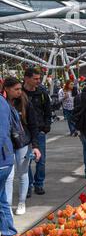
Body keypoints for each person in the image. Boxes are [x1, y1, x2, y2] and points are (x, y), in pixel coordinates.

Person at [3, 77, 41, 216]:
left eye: (20, 88)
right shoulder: (2, 102)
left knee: (23, 173)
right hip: (6, 145)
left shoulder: (25, 102)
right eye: (16, 89)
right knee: (8, 176)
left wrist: (35, 146)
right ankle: (7, 207)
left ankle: (21, 202)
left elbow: (33, 125)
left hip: (22, 143)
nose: (20, 91)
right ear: (6, 89)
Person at [22, 68, 51, 197]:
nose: (38, 81)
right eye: (35, 79)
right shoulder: (20, 93)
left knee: (41, 159)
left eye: (39, 78)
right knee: (25, 160)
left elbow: (48, 111)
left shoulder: (42, 93)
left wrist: (46, 126)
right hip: (23, 131)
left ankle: (39, 184)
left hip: (39, 130)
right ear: (26, 78)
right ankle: (28, 185)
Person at [0, 94, 16, 236]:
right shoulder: (3, 101)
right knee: (2, 198)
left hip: (2, 158)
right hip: (5, 157)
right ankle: (9, 233)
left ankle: (9, 233)